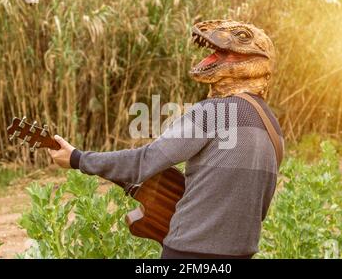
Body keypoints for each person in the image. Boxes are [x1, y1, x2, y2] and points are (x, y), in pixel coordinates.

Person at [49, 20, 284, 259]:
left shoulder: (214, 112)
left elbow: (145, 161)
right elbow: (259, 207)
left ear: (261, 59)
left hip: (189, 252)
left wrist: (77, 158)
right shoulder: (273, 126)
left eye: (241, 37)